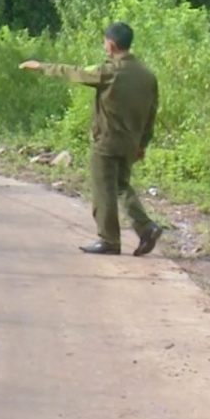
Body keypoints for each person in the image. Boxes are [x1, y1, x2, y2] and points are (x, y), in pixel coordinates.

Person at [20, 22, 165, 256]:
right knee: (120, 186)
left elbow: (74, 72)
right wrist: (143, 143)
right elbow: (152, 112)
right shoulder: (147, 76)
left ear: (111, 44)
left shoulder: (110, 72)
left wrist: (41, 66)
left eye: (104, 42)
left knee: (103, 190)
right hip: (131, 143)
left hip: (106, 141)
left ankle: (109, 240)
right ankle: (147, 228)